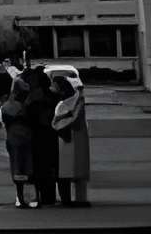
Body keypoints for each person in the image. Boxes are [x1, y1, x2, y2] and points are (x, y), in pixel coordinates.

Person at [52, 76, 91, 207]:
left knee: (65, 170)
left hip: (66, 138)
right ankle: (80, 199)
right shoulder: (76, 102)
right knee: (76, 168)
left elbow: (58, 122)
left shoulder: (65, 104)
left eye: (54, 86)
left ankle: (67, 199)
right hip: (77, 137)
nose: (52, 88)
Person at [24, 68, 59, 206]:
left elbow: (27, 115)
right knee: (50, 167)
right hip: (51, 135)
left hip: (38, 136)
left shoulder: (32, 98)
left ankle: (39, 195)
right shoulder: (54, 97)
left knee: (39, 167)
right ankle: (49, 196)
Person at [1, 78, 35, 208]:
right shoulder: (26, 105)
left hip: (13, 139)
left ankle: (20, 197)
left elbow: (5, 122)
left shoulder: (7, 106)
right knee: (26, 167)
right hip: (24, 138)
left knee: (17, 167)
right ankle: (27, 198)